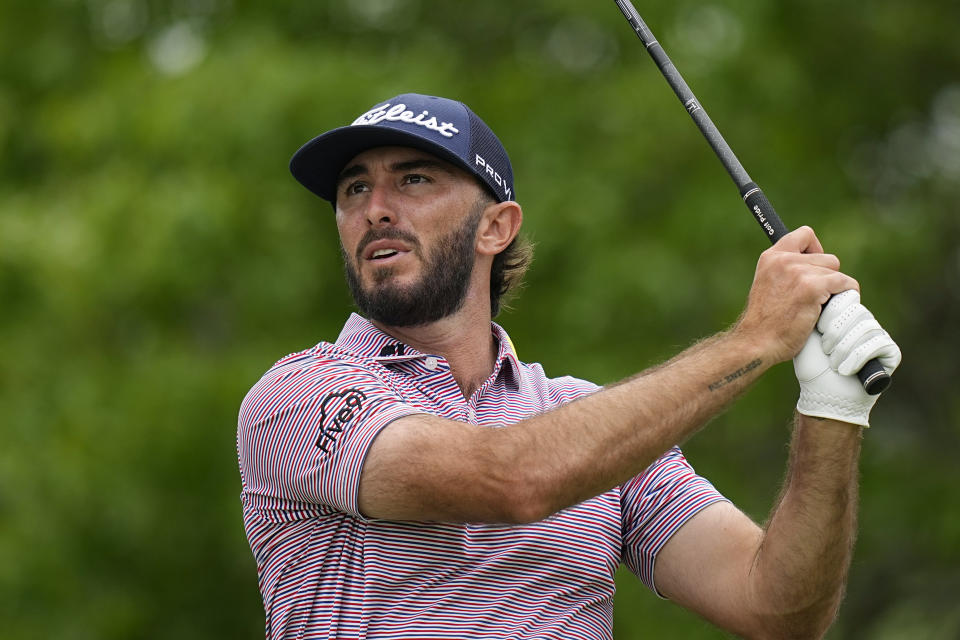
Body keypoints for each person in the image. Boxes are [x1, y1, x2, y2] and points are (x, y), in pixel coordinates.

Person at [237, 93, 901, 639]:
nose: (375, 207)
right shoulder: (300, 395)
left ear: (496, 227)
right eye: (355, 189)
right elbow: (512, 479)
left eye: (413, 179)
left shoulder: (585, 420)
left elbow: (775, 608)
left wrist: (831, 410)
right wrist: (751, 342)